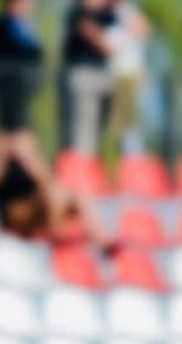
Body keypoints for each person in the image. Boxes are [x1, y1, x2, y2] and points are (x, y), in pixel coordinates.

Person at [0, 128, 118, 252]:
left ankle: (102, 239)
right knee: (52, 195)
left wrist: (28, 158)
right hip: (14, 210)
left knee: (73, 196)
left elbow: (47, 180)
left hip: (38, 205)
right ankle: (54, 239)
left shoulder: (27, 160)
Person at [61, 0, 116, 156]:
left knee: (99, 127)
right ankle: (82, 163)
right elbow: (89, 31)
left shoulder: (106, 14)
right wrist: (106, 45)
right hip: (83, 74)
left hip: (102, 74)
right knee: (83, 126)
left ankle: (90, 160)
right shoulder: (78, 11)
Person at [104, 0, 151, 156]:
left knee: (130, 124)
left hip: (127, 74)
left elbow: (143, 31)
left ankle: (133, 157)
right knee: (116, 123)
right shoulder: (105, 13)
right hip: (113, 75)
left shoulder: (126, 11)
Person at [0, 0, 42, 143]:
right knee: (17, 132)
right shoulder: (10, 24)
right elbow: (30, 50)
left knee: (14, 131)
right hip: (13, 85)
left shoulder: (23, 24)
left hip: (20, 87)